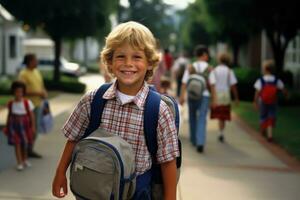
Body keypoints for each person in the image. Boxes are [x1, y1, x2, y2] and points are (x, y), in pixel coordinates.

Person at [52, 21, 179, 199]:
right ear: (109, 62)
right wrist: (60, 174)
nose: (128, 64)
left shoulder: (158, 110)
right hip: (96, 188)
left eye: (137, 57)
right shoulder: (93, 100)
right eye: (120, 56)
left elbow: (168, 161)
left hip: (136, 192)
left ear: (150, 63)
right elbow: (73, 139)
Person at [179, 45, 215, 153]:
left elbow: (184, 83)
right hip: (204, 95)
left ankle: (194, 140)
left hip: (192, 95)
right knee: (202, 118)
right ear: (204, 55)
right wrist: (214, 99)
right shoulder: (209, 68)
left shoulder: (190, 67)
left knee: (192, 116)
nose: (208, 56)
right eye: (207, 54)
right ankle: (200, 142)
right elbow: (213, 85)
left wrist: (182, 96)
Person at [18, 53, 47, 158]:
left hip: (38, 104)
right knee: (28, 129)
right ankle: (24, 151)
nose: (37, 62)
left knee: (35, 129)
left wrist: (43, 92)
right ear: (29, 61)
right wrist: (38, 93)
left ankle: (30, 149)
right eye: (35, 60)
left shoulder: (36, 72)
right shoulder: (23, 74)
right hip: (28, 106)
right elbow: (22, 91)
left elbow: (41, 86)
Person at [253, 60, 288, 142]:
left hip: (263, 101)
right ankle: (270, 135)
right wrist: (286, 95)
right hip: (273, 101)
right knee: (271, 116)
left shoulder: (261, 80)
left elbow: (257, 92)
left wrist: (255, 101)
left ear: (265, 69)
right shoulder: (276, 80)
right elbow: (283, 89)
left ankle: (263, 131)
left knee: (263, 116)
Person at [5, 81, 35, 171]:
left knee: (24, 143)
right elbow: (9, 115)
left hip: (25, 125)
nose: (19, 94)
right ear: (13, 92)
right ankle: (19, 162)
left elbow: (31, 115)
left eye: (21, 92)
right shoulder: (11, 103)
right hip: (14, 126)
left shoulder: (27, 102)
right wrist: (7, 126)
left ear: (23, 92)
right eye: (17, 91)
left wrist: (33, 126)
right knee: (17, 143)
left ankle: (25, 159)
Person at [210, 52, 239, 143]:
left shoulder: (214, 70)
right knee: (224, 115)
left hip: (217, 94)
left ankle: (220, 132)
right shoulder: (229, 71)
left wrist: (212, 98)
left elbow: (212, 84)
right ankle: (222, 131)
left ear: (219, 60)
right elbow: (233, 86)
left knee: (219, 115)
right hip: (226, 94)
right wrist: (236, 98)